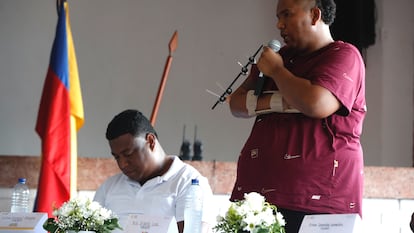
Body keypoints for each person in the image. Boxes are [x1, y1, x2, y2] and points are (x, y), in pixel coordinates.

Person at [228, 0, 366, 232]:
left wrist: (278, 73)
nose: (279, 25)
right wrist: (285, 101)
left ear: (314, 15)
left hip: (319, 202)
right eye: (278, 17)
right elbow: (237, 103)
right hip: (258, 202)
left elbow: (315, 103)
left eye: (286, 15)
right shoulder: (277, 57)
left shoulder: (344, 55)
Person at [93, 109, 214, 233]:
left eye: (128, 154)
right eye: (117, 157)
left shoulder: (188, 183)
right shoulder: (109, 187)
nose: (122, 164)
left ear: (150, 141)